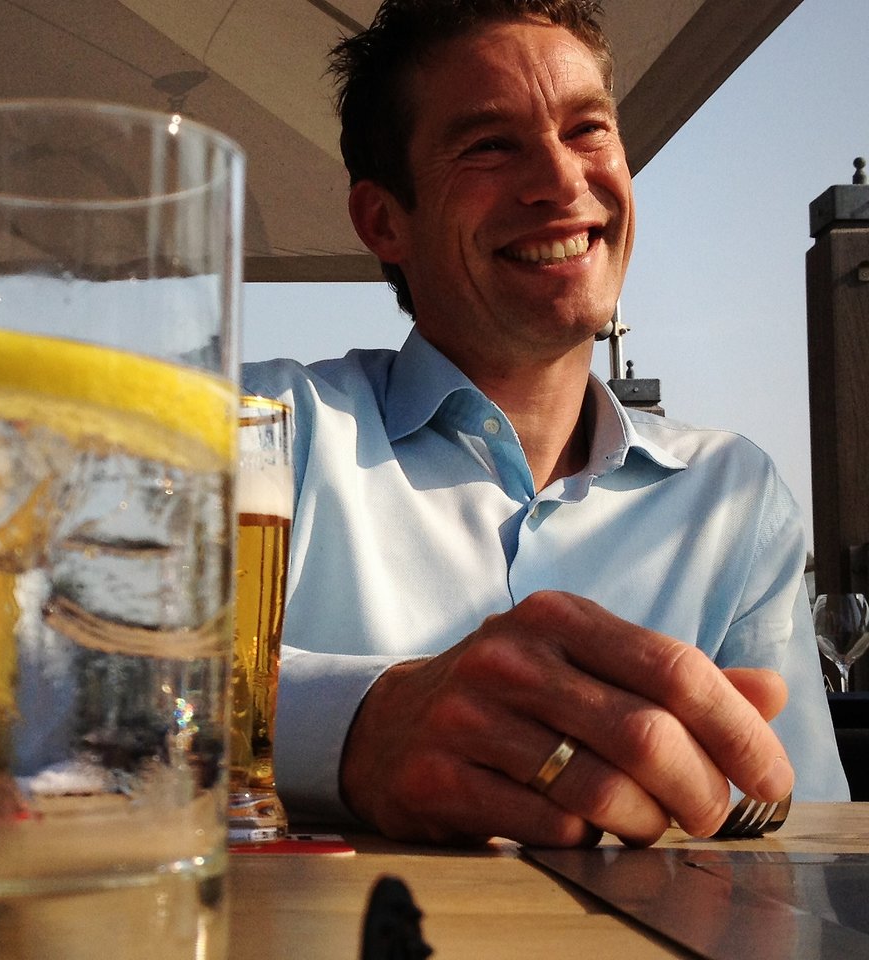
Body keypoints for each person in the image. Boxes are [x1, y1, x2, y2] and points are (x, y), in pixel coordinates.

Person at [241, 0, 849, 849]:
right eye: (490, 145)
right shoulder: (266, 432)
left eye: (588, 129)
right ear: (384, 220)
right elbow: (75, 670)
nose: (562, 182)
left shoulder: (734, 500)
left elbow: (797, 828)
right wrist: (362, 728)